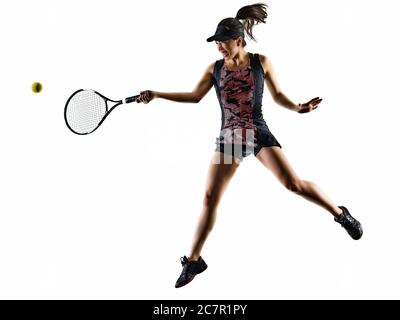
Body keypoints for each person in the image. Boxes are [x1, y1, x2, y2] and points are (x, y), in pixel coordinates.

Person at [136, 3, 363, 288]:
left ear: (239, 40)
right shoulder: (214, 69)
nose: (218, 47)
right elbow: (194, 97)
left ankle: (340, 214)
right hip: (230, 137)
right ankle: (193, 260)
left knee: (293, 183)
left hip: (257, 130)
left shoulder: (260, 62)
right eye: (216, 42)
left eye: (223, 41)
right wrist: (156, 94)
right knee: (209, 198)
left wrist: (297, 108)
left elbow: (278, 95)